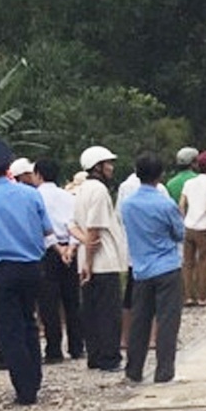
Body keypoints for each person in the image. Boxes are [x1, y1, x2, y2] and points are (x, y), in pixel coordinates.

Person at [0, 138, 54, 405]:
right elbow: (47, 229)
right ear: (8, 165)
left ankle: (24, 388)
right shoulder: (31, 194)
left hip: (3, 268)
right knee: (29, 321)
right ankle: (35, 377)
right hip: (33, 266)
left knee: (10, 328)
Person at [119, 152, 186, 382]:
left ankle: (134, 370)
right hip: (167, 267)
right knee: (167, 320)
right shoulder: (166, 203)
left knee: (140, 320)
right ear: (160, 175)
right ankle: (164, 371)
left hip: (140, 269)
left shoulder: (127, 205)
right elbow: (179, 234)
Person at [70, 145, 128, 372]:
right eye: (108, 164)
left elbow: (73, 225)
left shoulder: (82, 189)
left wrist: (84, 247)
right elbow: (95, 227)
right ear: (97, 167)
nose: (111, 168)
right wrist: (89, 263)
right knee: (108, 313)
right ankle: (109, 357)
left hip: (88, 258)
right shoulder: (99, 191)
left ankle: (94, 355)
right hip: (101, 261)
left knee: (91, 311)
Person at [32, 158, 82, 362]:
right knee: (72, 299)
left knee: (49, 302)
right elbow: (74, 222)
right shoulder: (68, 196)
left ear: (38, 175)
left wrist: (57, 248)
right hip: (70, 248)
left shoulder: (34, 197)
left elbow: (41, 226)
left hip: (48, 251)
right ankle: (77, 346)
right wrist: (70, 247)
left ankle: (54, 349)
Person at [179, 152, 206, 305]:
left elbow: (181, 205)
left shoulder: (189, 183)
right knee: (203, 262)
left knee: (188, 263)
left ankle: (188, 296)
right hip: (204, 228)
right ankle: (202, 297)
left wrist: (184, 220)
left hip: (188, 226)